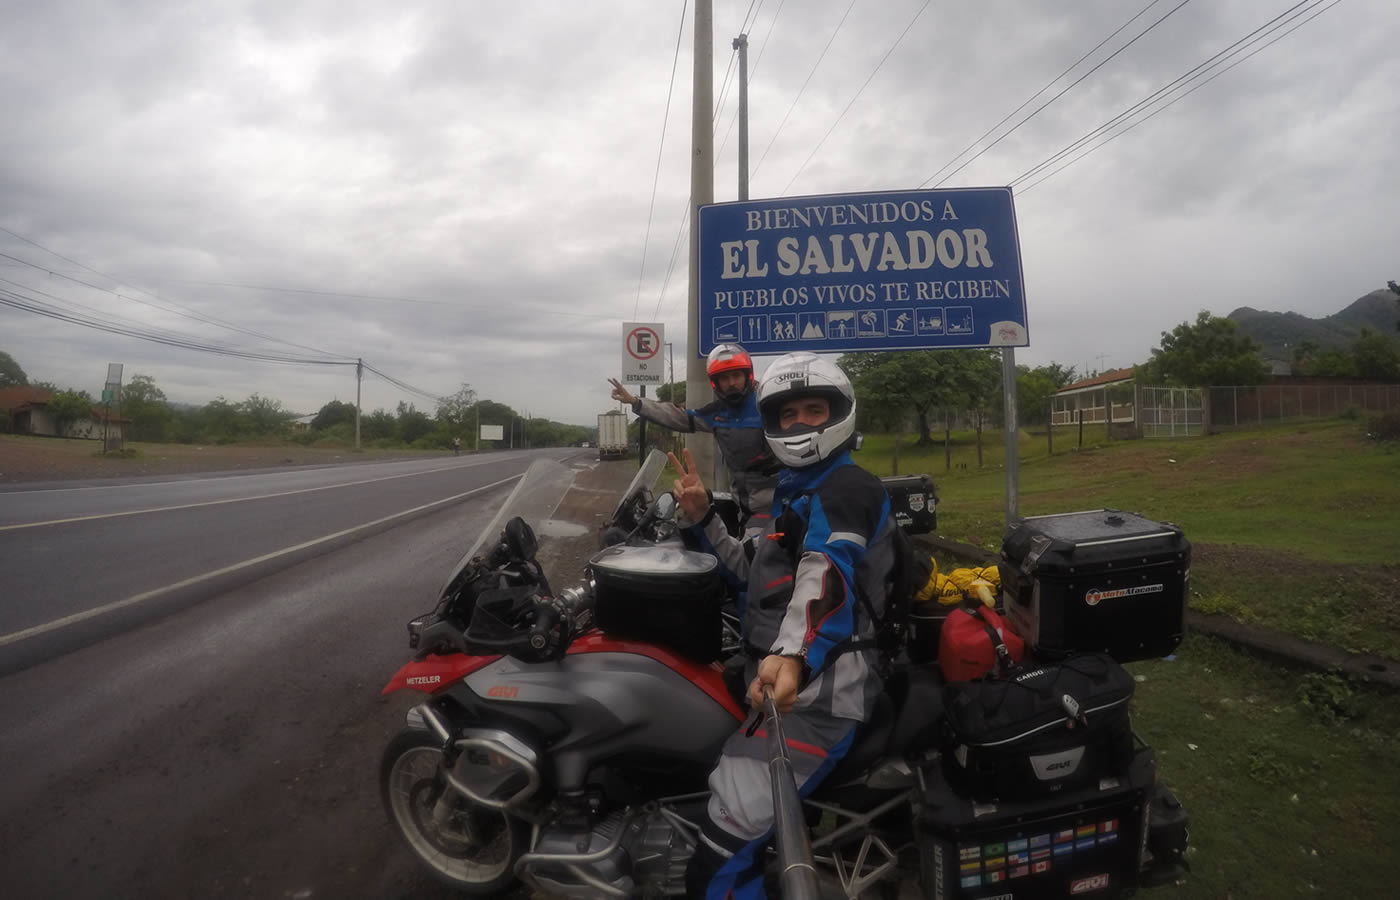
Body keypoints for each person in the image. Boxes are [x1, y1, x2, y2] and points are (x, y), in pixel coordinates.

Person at [667, 351, 897, 900]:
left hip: (818, 698)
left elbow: (826, 572)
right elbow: (751, 571)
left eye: (813, 410)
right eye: (787, 414)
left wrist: (793, 655)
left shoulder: (846, 489)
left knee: (716, 865)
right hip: (780, 683)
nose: (799, 424)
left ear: (839, 413)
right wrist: (701, 516)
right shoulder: (794, 491)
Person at [609, 343, 778, 529]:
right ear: (716, 383)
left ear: (748, 376)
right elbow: (679, 417)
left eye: (736, 375)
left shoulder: (769, 406)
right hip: (742, 505)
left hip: (775, 505)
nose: (731, 383)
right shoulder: (717, 413)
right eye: (724, 378)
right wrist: (636, 402)